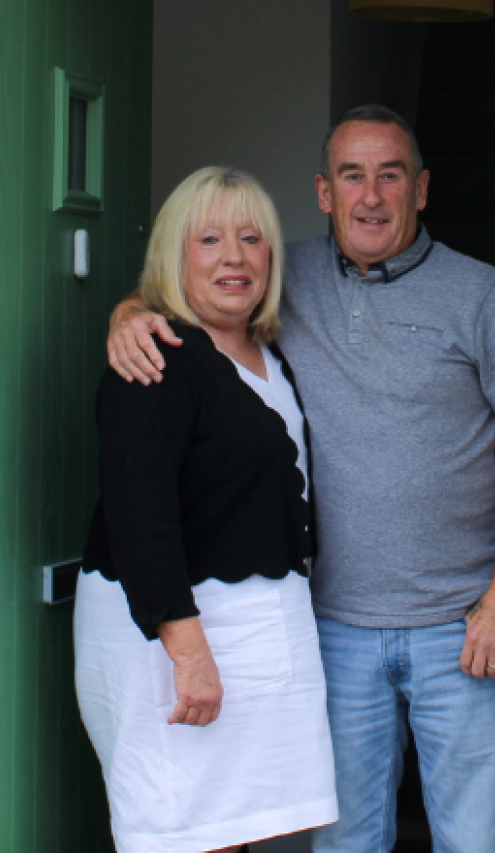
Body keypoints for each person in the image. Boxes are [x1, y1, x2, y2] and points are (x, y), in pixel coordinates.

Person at [107, 105, 495, 853]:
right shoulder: (279, 278)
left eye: (389, 176)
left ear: (421, 189)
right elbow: (197, 284)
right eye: (351, 176)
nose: (370, 195)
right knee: (347, 842)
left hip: (460, 633)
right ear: (324, 193)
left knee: (472, 839)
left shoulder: (481, 294)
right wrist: (129, 314)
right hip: (331, 629)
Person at [75, 166, 338, 853]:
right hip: (174, 639)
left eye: (252, 238)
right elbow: (142, 517)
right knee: (180, 831)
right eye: (210, 239)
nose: (234, 257)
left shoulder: (270, 353)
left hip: (257, 631)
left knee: (233, 831)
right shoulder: (154, 359)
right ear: (173, 253)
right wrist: (188, 653)